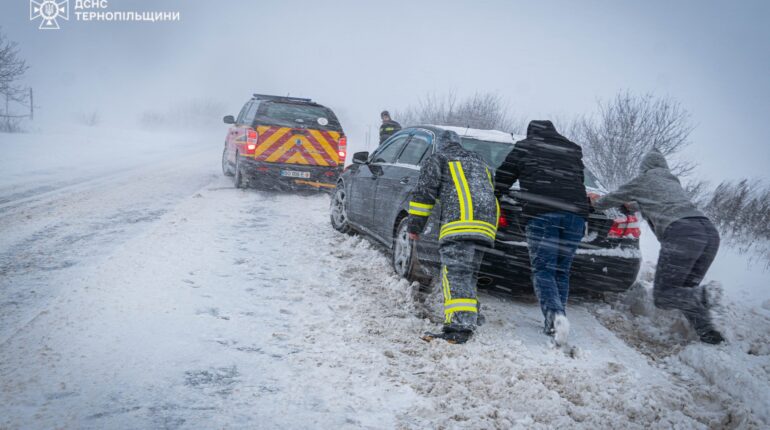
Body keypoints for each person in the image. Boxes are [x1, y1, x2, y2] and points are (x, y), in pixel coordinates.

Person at [591, 148, 724, 344]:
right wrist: (632, 206)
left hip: (683, 233)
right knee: (684, 291)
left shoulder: (643, 180)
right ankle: (708, 333)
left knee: (663, 295)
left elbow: (609, 200)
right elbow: (654, 202)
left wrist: (596, 202)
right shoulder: (672, 181)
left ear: (644, 168)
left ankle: (705, 294)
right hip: (708, 234)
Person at [494, 120, 590, 345]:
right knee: (561, 270)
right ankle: (557, 320)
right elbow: (578, 182)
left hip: (542, 214)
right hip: (575, 215)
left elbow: (503, 178)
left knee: (543, 269)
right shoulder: (571, 150)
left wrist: (495, 194)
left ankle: (555, 316)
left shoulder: (525, 147)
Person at [408, 130, 499, 344]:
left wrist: (415, 226)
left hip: (461, 222)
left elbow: (424, 195)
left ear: (439, 145)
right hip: (486, 225)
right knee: (469, 273)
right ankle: (471, 316)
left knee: (455, 273)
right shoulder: (480, 161)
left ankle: (459, 326)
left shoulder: (438, 158)